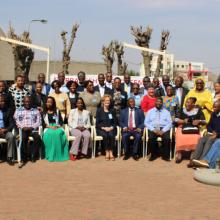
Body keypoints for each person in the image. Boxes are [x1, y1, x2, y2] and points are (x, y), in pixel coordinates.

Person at [175, 97, 206, 163]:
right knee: (180, 135)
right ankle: (179, 153)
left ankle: (193, 154)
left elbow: (204, 121)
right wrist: (183, 121)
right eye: (186, 102)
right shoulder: (182, 110)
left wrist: (199, 121)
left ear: (193, 104)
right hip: (182, 127)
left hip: (194, 129)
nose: (187, 104)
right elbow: (176, 119)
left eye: (189, 102)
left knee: (196, 137)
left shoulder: (198, 111)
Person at [189, 100, 220, 166]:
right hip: (211, 133)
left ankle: (201, 160)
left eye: (215, 107)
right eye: (213, 107)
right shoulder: (213, 114)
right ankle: (194, 159)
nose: (213, 108)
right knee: (201, 139)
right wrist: (212, 131)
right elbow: (208, 125)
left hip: (218, 136)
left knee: (209, 140)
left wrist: (217, 134)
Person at [14, 96, 42, 164]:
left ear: (31, 102)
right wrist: (23, 127)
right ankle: (24, 156)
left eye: (29, 101)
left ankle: (33, 155)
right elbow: (16, 120)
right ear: (23, 102)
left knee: (38, 137)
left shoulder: (36, 110)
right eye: (26, 102)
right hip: (22, 129)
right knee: (23, 138)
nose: (27, 103)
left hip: (32, 130)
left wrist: (32, 127)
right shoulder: (18, 110)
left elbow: (39, 121)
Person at [145, 97, 172, 161]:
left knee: (167, 138)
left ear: (162, 103)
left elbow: (170, 123)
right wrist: (153, 129)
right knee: (151, 138)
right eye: (157, 101)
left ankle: (165, 156)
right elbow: (146, 122)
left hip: (163, 128)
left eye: (160, 102)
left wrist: (163, 130)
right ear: (155, 102)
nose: (158, 103)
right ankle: (153, 155)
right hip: (153, 128)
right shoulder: (150, 111)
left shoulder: (167, 112)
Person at [42, 96, 69, 162]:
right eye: (47, 102)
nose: (49, 103)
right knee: (49, 134)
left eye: (50, 102)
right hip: (47, 127)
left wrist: (57, 126)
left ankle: (59, 154)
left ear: (53, 103)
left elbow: (61, 121)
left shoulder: (57, 111)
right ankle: (50, 154)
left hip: (57, 126)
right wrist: (49, 126)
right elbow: (42, 123)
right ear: (45, 103)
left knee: (58, 133)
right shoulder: (43, 112)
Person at [96, 95, 116, 160]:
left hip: (111, 128)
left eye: (109, 100)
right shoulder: (99, 110)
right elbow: (97, 123)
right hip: (101, 129)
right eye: (106, 100)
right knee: (105, 135)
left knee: (111, 135)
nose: (108, 102)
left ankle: (111, 152)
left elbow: (115, 122)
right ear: (103, 102)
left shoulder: (112, 110)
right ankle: (107, 151)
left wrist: (111, 127)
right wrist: (104, 128)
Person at [0, 95, 16, 165]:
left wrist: (6, 129)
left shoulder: (8, 111)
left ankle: (9, 157)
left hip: (5, 130)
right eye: (0, 101)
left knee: (11, 136)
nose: (2, 102)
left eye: (3, 101)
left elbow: (12, 123)